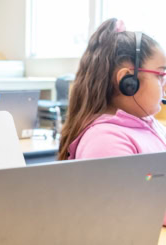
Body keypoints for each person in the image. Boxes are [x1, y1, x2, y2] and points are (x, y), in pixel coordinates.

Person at [58, 19, 166, 225]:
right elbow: (133, 206)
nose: (165, 83)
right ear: (128, 81)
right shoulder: (104, 140)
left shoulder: (152, 126)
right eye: (161, 74)